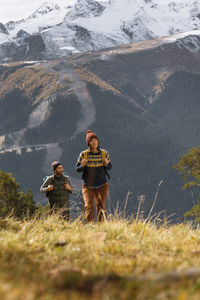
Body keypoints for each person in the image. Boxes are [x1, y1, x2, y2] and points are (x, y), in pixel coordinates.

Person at [75, 130, 112, 222]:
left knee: (101, 207)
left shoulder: (104, 153)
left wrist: (106, 164)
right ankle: (91, 226)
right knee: (88, 206)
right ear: (88, 143)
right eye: (91, 140)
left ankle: (101, 226)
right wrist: (82, 165)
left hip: (102, 185)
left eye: (95, 139)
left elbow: (109, 167)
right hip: (88, 186)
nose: (94, 142)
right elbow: (77, 169)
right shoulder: (84, 154)